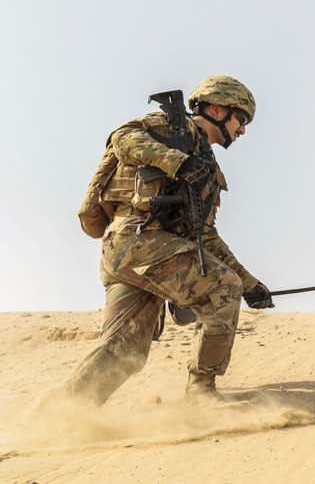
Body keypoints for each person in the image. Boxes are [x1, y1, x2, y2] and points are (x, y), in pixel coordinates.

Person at [55, 75, 273, 406]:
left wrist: (250, 283)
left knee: (126, 348)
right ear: (216, 108)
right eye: (240, 118)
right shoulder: (172, 128)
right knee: (221, 287)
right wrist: (178, 162)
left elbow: (205, 236)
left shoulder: (208, 169)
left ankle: (61, 414)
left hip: (135, 254)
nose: (242, 130)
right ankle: (201, 396)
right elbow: (122, 138)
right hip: (138, 239)